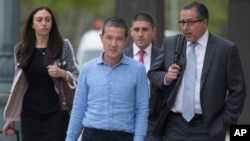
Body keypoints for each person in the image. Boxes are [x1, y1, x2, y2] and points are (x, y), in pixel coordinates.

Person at [148, 1, 246, 141]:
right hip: (175, 125)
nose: (185, 27)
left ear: (204, 22)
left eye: (190, 22)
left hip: (208, 127)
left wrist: (225, 122)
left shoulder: (225, 49)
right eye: (182, 22)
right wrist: (166, 78)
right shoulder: (172, 43)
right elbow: (152, 73)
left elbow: (238, 90)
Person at [2, 6, 79, 141]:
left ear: (52, 23)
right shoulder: (21, 49)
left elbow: (78, 76)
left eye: (48, 20)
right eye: (39, 20)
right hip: (30, 113)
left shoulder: (63, 46)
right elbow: (17, 86)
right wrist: (11, 118)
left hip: (57, 112)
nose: (44, 23)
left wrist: (62, 73)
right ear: (32, 24)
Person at [66, 17, 149, 141]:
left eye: (119, 39)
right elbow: (79, 108)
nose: (113, 44)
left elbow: (142, 109)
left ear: (126, 40)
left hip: (124, 136)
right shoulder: (87, 69)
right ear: (101, 38)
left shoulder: (138, 70)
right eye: (109, 38)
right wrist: (70, 138)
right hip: (92, 135)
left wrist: (139, 138)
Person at [123, 12, 163, 141]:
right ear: (131, 32)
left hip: (153, 124)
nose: (140, 34)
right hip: (125, 122)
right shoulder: (121, 57)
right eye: (136, 29)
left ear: (153, 31)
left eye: (145, 29)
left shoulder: (163, 57)